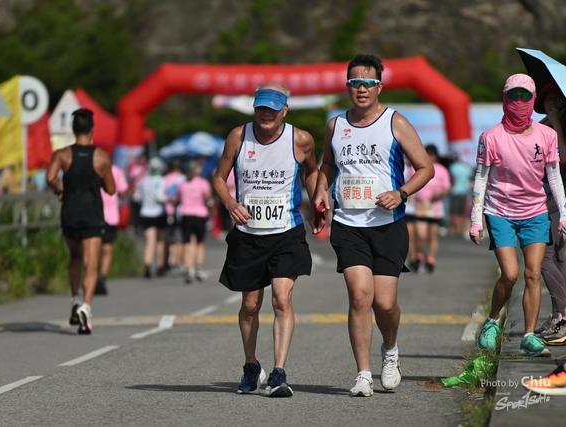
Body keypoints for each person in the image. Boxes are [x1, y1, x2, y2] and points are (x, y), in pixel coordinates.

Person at [312, 54, 435, 397]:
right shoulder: (335, 125)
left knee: (385, 304)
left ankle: (390, 351)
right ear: (347, 86)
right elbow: (328, 165)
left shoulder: (396, 123)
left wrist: (401, 192)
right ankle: (363, 373)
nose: (362, 89)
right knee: (359, 297)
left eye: (368, 83)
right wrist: (320, 191)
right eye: (355, 83)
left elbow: (426, 168)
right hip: (348, 223)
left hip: (387, 225)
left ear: (379, 86)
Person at [213, 81, 320, 397]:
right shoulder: (238, 136)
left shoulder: (300, 139)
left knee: (281, 299)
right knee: (249, 306)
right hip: (248, 234)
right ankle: (251, 365)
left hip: (286, 232)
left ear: (284, 109)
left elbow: (313, 171)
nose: (266, 114)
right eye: (261, 108)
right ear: (254, 108)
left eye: (273, 109)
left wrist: (318, 197)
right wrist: (230, 203)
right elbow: (218, 177)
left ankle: (278, 372)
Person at [470, 74, 566, 357]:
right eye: (514, 95)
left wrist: (563, 213)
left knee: (533, 273)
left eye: (525, 96)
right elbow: (481, 178)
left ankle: (529, 336)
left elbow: (554, 177)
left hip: (535, 212)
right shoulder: (491, 137)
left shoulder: (546, 135)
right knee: (510, 274)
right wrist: (476, 219)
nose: (519, 101)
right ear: (505, 98)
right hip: (500, 212)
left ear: (533, 99)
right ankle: (492, 321)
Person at [46, 108, 116, 335]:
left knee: (75, 257)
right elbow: (111, 189)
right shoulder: (102, 156)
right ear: (92, 130)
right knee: (91, 263)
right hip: (92, 214)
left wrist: (60, 188)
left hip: (70, 214)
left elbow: (50, 177)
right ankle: (87, 306)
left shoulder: (62, 154)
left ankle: (75, 299)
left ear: (73, 130)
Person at [535, 81, 566, 343]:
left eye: (556, 97)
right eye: (546, 99)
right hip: (548, 198)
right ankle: (559, 315)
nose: (551, 102)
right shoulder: (543, 127)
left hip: (558, 198)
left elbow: (563, 157)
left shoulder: (559, 125)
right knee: (555, 257)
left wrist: (555, 123)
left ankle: (562, 317)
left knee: (546, 258)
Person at [412, 144, 451, 274]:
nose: (429, 157)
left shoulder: (441, 170)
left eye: (431, 154)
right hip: (421, 206)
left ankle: (430, 259)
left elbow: (446, 187)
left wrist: (440, 193)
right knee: (421, 235)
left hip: (435, 207)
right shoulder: (415, 168)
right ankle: (419, 255)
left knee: (433, 236)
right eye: (427, 154)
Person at [175, 160, 212, 284]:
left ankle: (188, 268)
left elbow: (177, 200)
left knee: (187, 242)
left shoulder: (182, 184)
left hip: (186, 214)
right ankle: (199, 267)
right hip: (200, 214)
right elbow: (208, 197)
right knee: (200, 242)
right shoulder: (203, 183)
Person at [96, 163, 129, 295]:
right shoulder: (117, 171)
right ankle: (102, 276)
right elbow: (122, 193)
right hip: (110, 215)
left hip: (94, 214)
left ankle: (92, 275)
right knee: (107, 248)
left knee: (92, 248)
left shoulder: (92, 167)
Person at [138, 156, 168, 278]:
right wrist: (169, 199)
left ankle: (147, 264)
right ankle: (160, 266)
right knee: (160, 240)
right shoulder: (161, 180)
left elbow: (138, 197)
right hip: (158, 212)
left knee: (149, 241)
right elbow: (159, 197)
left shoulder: (143, 180)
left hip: (145, 212)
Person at [163, 159, 186, 276]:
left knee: (168, 239)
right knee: (179, 239)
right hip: (180, 211)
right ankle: (177, 262)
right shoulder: (183, 179)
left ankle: (168, 261)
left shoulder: (165, 178)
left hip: (166, 211)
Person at [448, 155, 474, 240]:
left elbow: (451, 178)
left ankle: (454, 229)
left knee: (453, 211)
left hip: (455, 191)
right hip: (464, 192)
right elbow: (471, 179)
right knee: (462, 212)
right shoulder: (468, 169)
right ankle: (461, 229)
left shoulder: (453, 167)